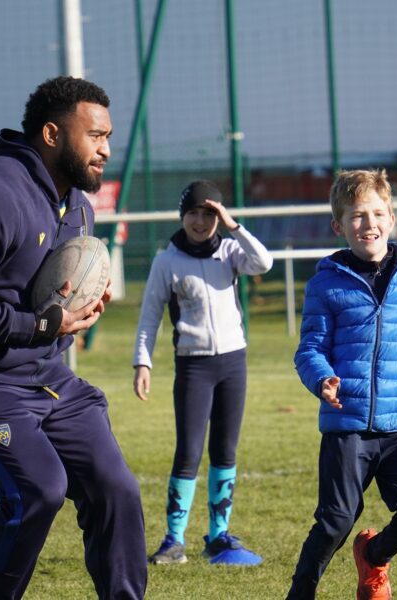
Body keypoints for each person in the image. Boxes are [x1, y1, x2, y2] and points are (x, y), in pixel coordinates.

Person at [0, 76, 146, 600]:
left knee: (116, 489)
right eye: (95, 135)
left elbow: (50, 298)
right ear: (52, 134)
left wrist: (82, 306)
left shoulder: (78, 206)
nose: (106, 149)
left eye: (108, 136)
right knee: (38, 490)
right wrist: (35, 326)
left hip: (43, 374)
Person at [285, 169, 397, 600]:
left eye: (378, 214)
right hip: (347, 424)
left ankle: (373, 555)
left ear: (392, 219)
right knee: (335, 522)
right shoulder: (325, 283)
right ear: (339, 225)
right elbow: (309, 349)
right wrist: (321, 378)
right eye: (357, 216)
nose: (369, 224)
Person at [132, 180, 273, 566]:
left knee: (225, 450)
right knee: (189, 452)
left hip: (233, 362)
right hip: (193, 366)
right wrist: (142, 362)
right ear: (182, 216)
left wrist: (233, 225)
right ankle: (173, 541)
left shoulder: (230, 251)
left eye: (208, 214)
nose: (200, 221)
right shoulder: (167, 261)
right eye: (193, 213)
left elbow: (264, 262)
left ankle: (218, 536)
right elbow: (149, 317)